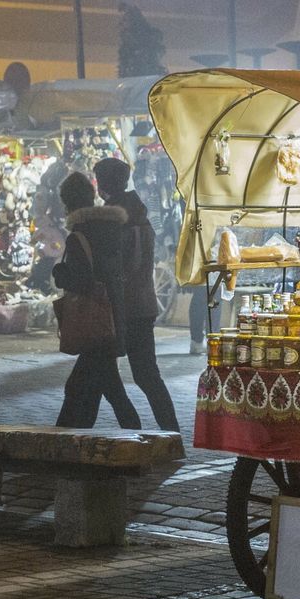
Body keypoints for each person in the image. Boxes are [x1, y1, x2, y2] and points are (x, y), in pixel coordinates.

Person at [92, 157, 180, 433]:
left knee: (107, 375)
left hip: (119, 308)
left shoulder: (112, 220)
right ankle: (170, 432)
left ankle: (137, 429)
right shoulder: (141, 216)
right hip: (143, 305)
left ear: (103, 184)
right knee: (146, 375)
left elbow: (111, 268)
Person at [53, 172, 141, 430]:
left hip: (95, 324)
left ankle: (63, 442)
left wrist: (59, 273)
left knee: (89, 389)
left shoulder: (79, 236)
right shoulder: (112, 230)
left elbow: (81, 281)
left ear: (68, 203)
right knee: (100, 389)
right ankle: (72, 439)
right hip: (112, 319)